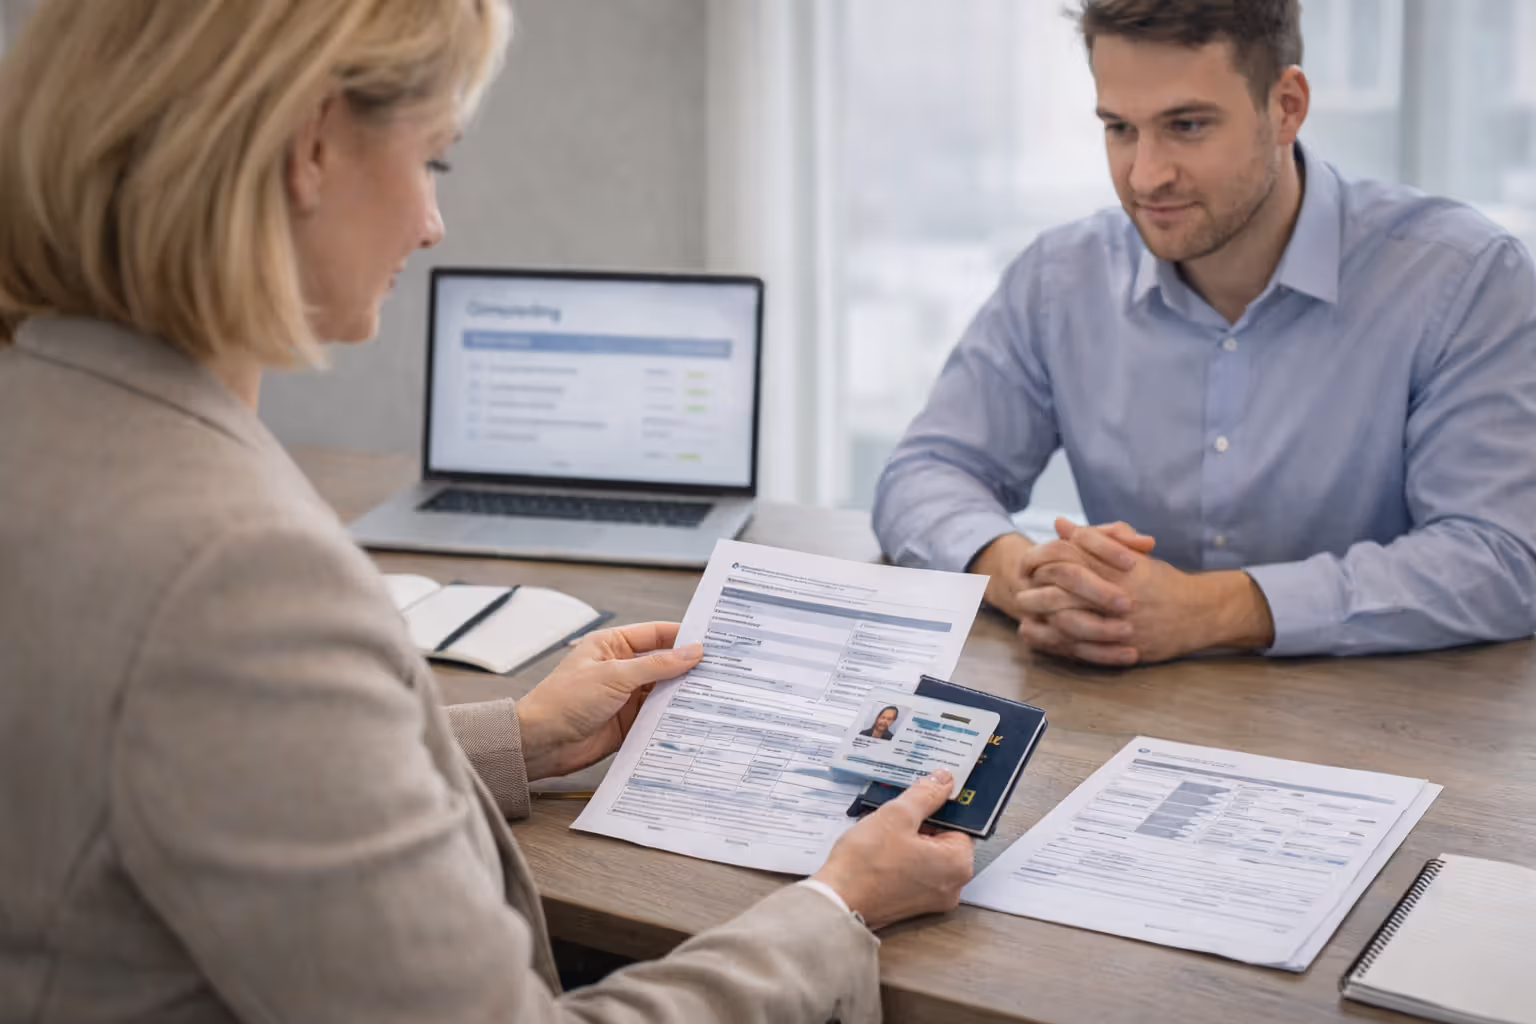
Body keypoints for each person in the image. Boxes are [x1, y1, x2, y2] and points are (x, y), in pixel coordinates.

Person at [0, 3, 975, 1022]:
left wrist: (521, 737)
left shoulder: (39, 416)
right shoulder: (237, 574)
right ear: (310, 147)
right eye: (436, 160)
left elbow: (181, 761)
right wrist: (832, 907)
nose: (431, 221)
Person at [873, 0, 1536, 665]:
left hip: (1390, 733)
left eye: (1186, 125)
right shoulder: (1060, 278)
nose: (1145, 175)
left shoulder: (1464, 277)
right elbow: (924, 474)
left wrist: (1216, 609)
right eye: (1120, 128)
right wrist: (1028, 578)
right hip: (1119, 716)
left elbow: (1503, 557)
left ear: (1286, 105)